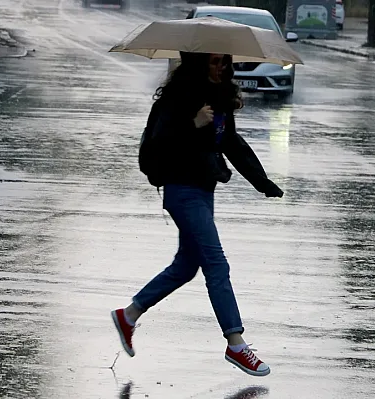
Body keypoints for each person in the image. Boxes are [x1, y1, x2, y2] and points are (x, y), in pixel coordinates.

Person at [111, 51, 284, 377]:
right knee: (216, 264)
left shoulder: (217, 98)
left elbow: (231, 143)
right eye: (214, 62)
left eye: (224, 62)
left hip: (204, 191)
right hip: (181, 191)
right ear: (198, 63)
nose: (221, 68)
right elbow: (158, 144)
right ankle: (236, 343)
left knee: (186, 266)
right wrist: (194, 124)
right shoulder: (177, 99)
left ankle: (128, 315)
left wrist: (262, 182)